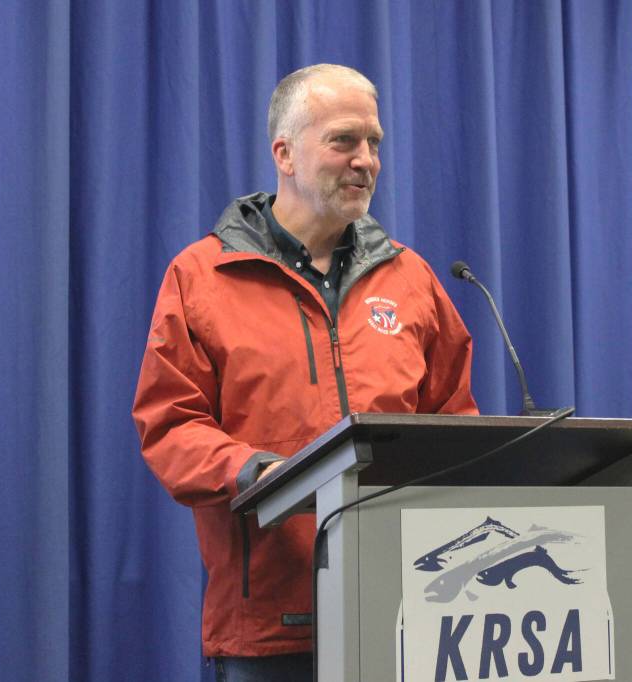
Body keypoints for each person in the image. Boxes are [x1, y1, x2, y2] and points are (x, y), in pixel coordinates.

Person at [132, 63, 478, 681]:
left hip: (406, 615)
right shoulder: (203, 278)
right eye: (344, 140)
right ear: (285, 154)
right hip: (270, 627)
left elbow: (455, 423)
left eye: (374, 142)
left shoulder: (413, 280)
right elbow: (169, 426)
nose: (366, 159)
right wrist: (260, 473)